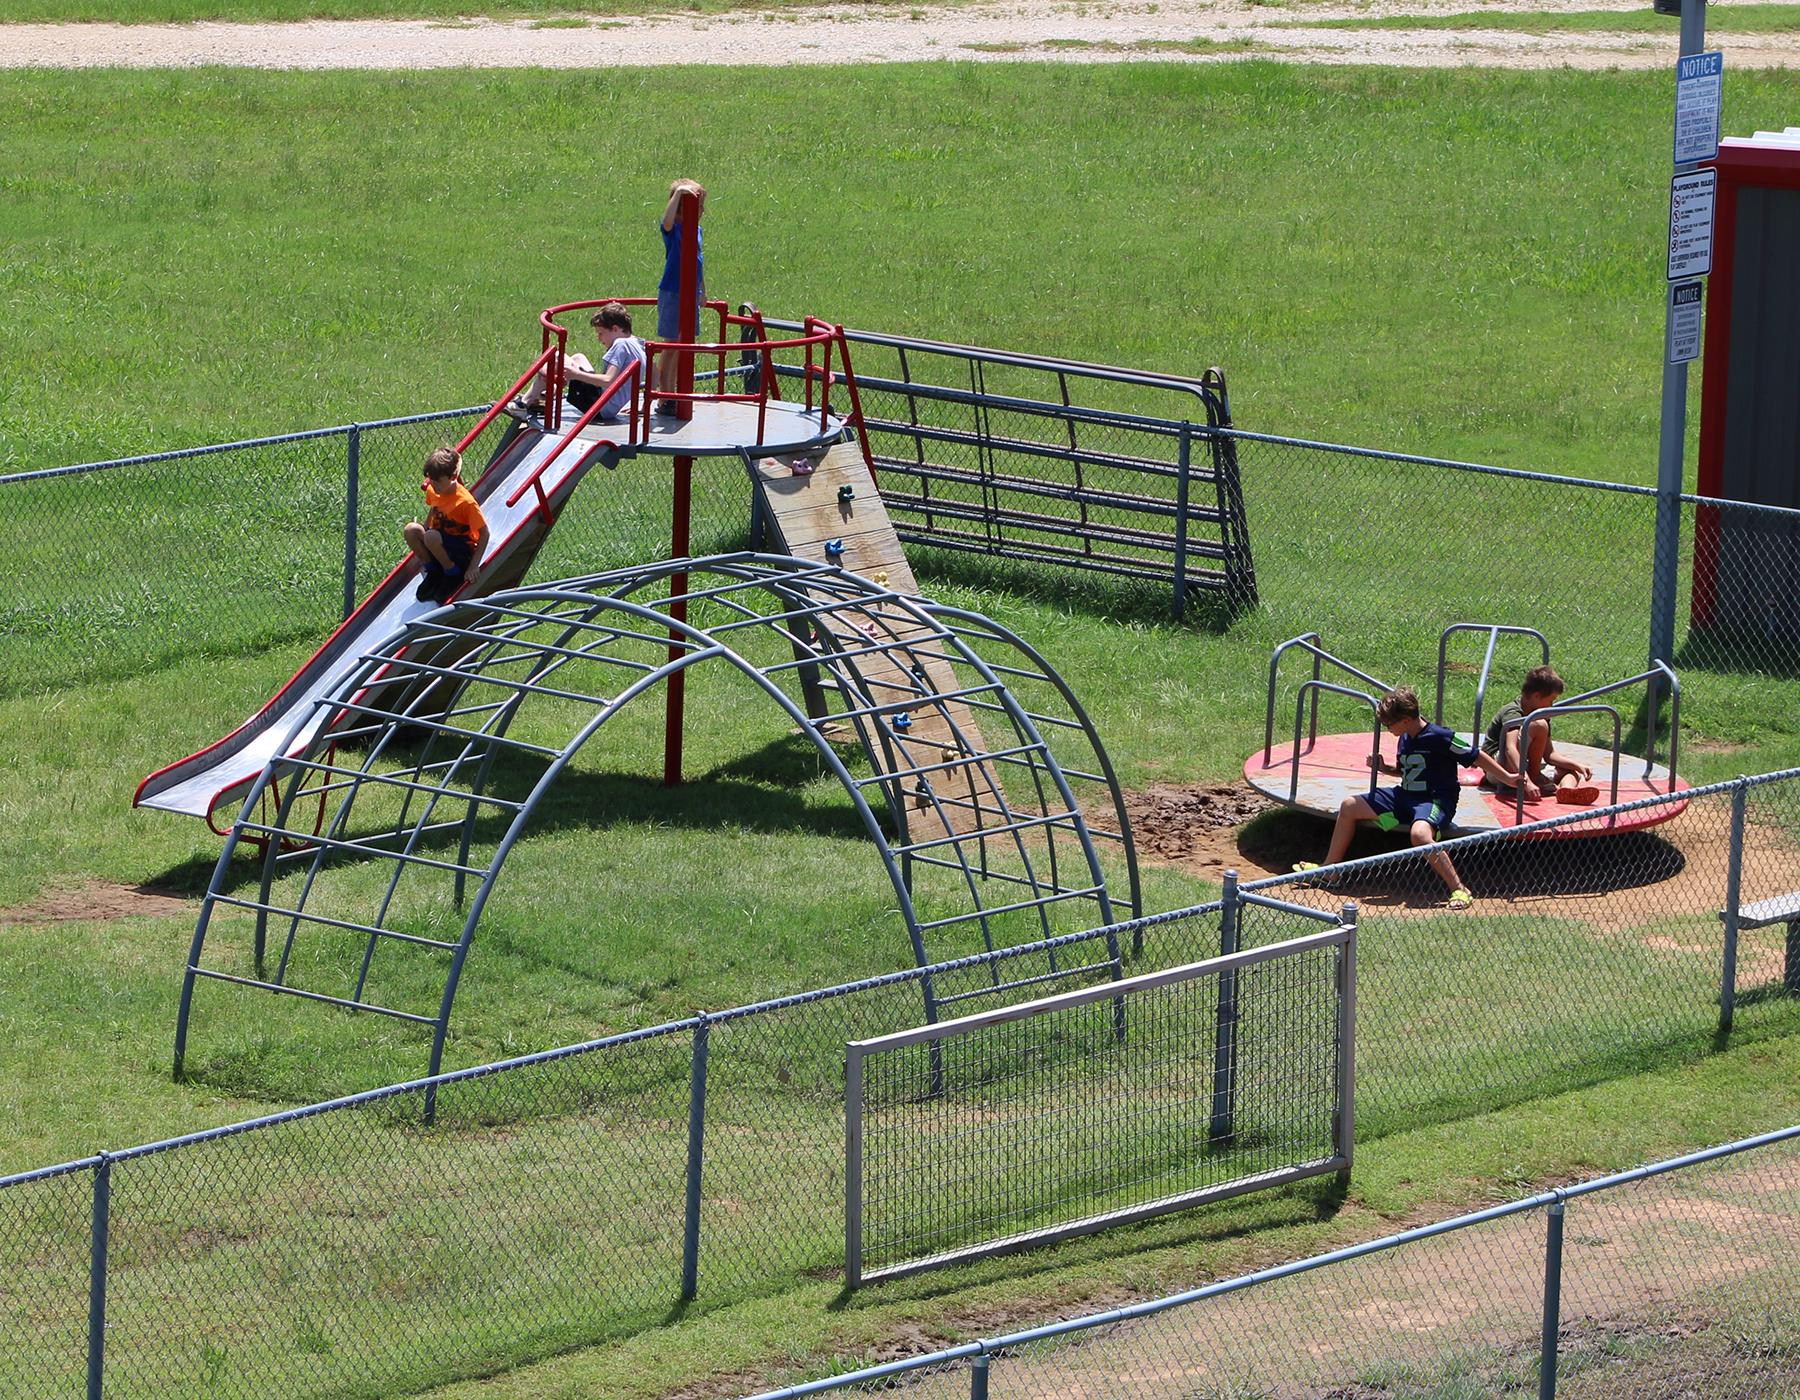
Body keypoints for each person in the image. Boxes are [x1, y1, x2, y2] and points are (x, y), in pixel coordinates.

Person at [1292, 686, 1520, 909]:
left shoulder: (1441, 736)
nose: (1387, 728)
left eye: (1390, 724)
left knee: (1419, 835)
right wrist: (1385, 767)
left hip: (1435, 800)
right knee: (1350, 806)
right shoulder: (1405, 737)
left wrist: (1508, 777)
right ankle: (1330, 870)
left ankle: (1459, 887)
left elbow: (1476, 756)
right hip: (1404, 797)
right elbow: (1405, 771)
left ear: (1405, 719)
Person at [1481, 665, 1600, 805]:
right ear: (1536, 695)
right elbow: (1510, 749)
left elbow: (1549, 755)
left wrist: (1578, 766)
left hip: (1522, 767)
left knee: (1570, 772)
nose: (1552, 704)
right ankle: (1535, 776)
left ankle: (1567, 791)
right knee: (1539, 725)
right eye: (1551, 700)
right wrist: (1527, 781)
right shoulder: (1513, 712)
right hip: (1498, 769)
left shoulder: (1541, 714)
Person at [517, 302, 646, 424]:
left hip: (599, 406)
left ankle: (526, 402)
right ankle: (545, 392)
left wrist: (576, 374)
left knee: (554, 358)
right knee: (578, 358)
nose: (599, 338)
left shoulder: (621, 344)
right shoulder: (640, 344)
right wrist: (645, 406)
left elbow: (609, 380)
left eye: (601, 333)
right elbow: (655, 375)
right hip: (608, 406)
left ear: (615, 329)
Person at [404, 446, 488, 604]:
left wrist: (473, 566)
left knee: (431, 536)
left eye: (438, 481)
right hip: (439, 544)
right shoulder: (433, 490)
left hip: (461, 551)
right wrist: (424, 529)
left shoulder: (466, 502)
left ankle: (451, 573)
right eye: (431, 479)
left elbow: (485, 533)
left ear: (453, 476)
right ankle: (434, 571)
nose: (433, 484)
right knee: (411, 530)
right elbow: (434, 509)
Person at [654, 177, 706, 409]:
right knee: (671, 345)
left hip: (690, 293)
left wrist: (702, 289)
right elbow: (665, 221)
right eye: (698, 206)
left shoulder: (697, 230)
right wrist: (678, 195)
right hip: (673, 291)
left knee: (684, 344)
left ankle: (675, 392)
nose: (702, 210)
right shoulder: (673, 229)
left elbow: (698, 260)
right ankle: (666, 395)